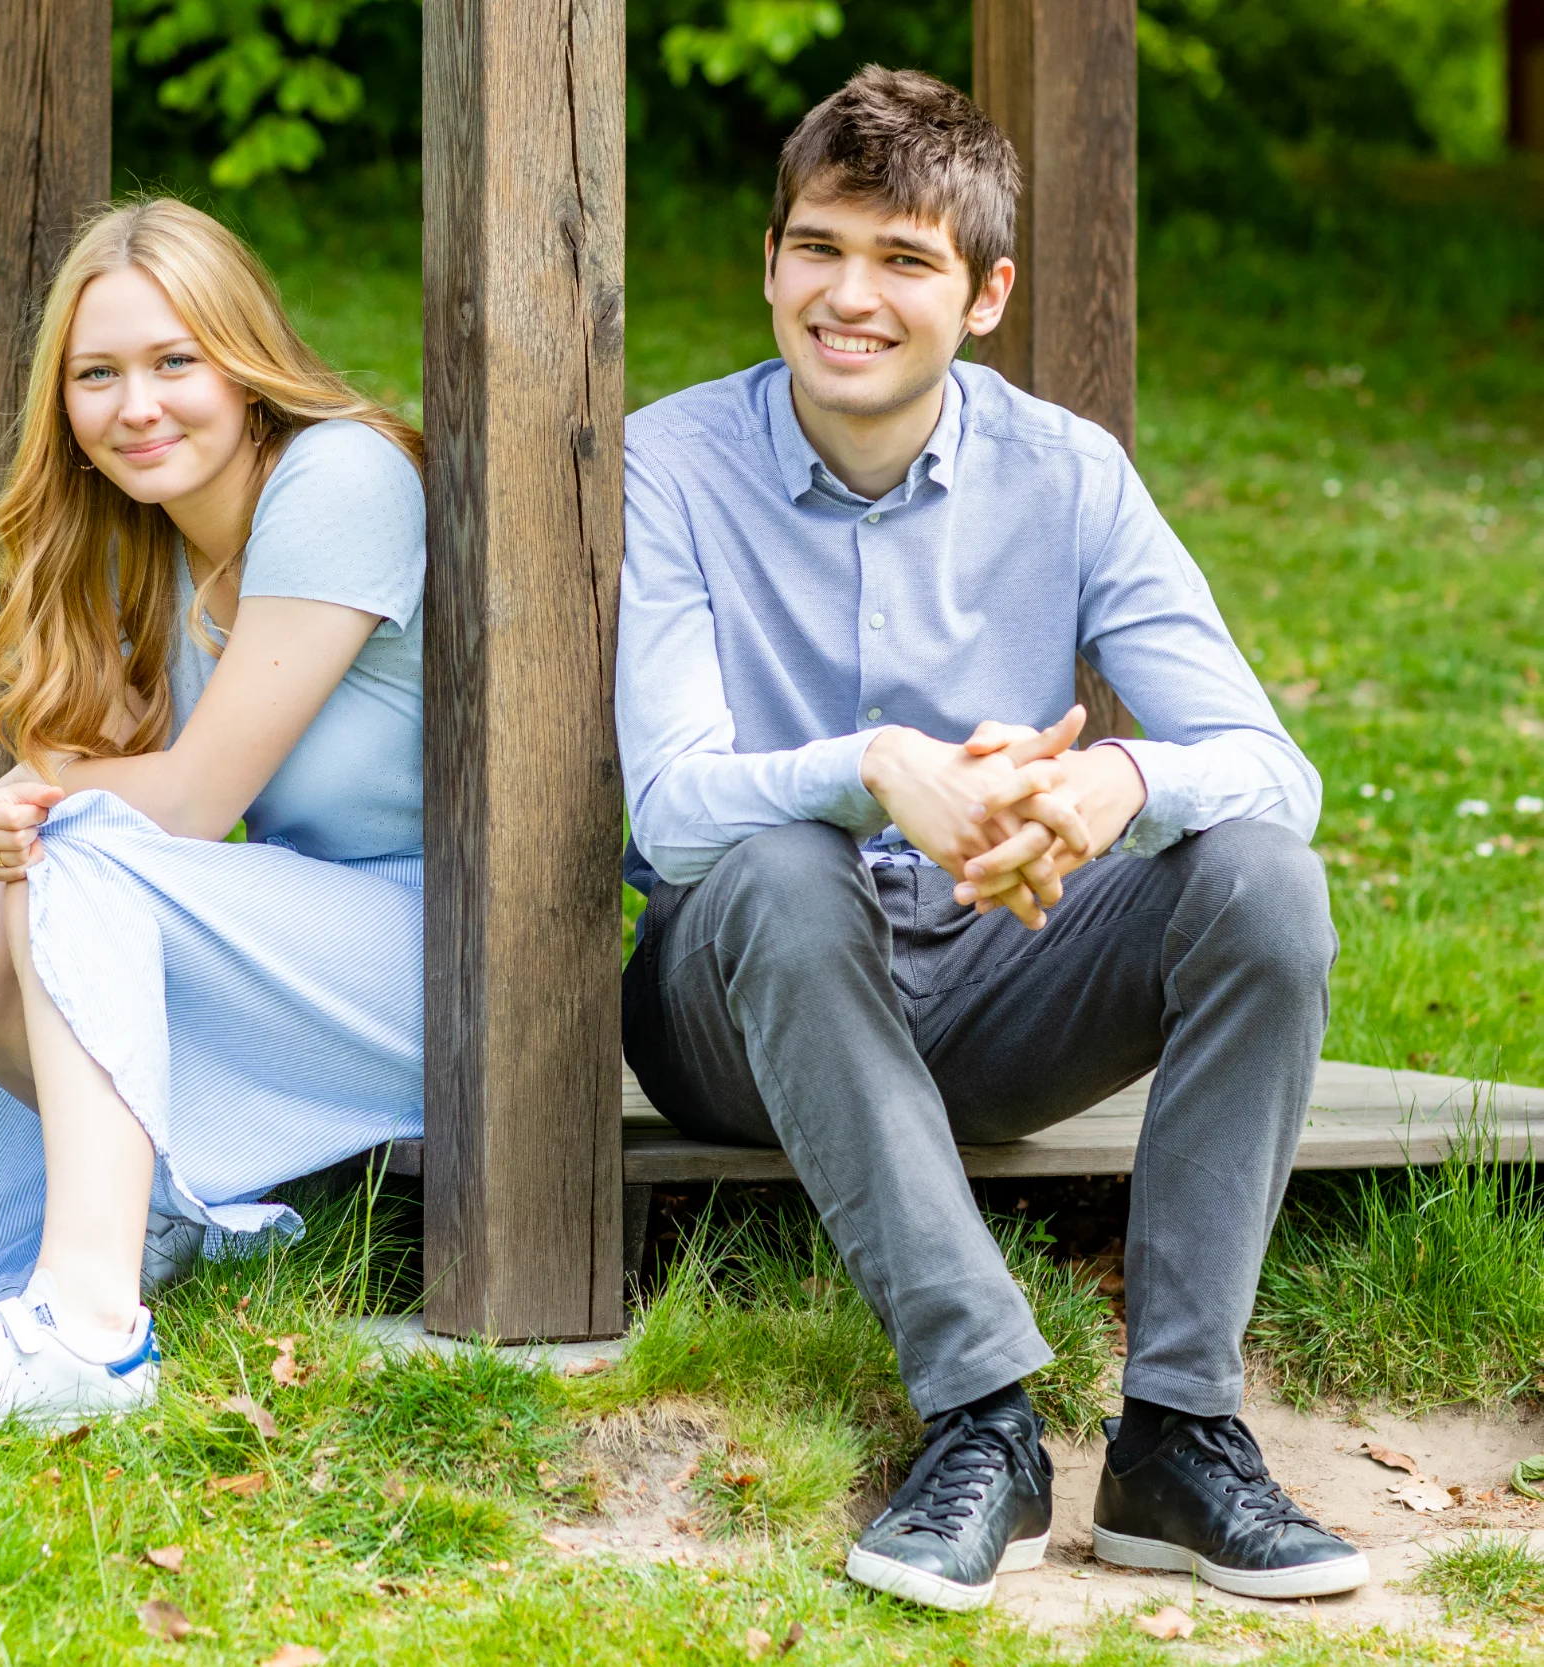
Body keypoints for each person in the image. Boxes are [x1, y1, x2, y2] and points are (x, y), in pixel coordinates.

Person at [616, 68, 1367, 1611]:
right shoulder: (670, 463)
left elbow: (1274, 773)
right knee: (776, 858)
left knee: (1263, 884)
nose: (849, 296)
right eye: (818, 247)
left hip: (1000, 969)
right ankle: (980, 1419)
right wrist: (876, 765)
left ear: (987, 293)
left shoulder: (1070, 473)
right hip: (742, 997)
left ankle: (1177, 1433)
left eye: (904, 260)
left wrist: (1114, 791)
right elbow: (673, 808)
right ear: (768, 262)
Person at [0, 198, 427, 1435]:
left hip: (458, 955)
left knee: (78, 858)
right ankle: (143, 1214)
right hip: (301, 936)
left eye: (173, 362)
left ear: (246, 367)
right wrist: (14, 820)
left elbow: (192, 802)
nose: (136, 405)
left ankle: (87, 1331)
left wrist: (30, 802)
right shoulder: (138, 539)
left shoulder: (340, 475)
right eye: (98, 375)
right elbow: (78, 768)